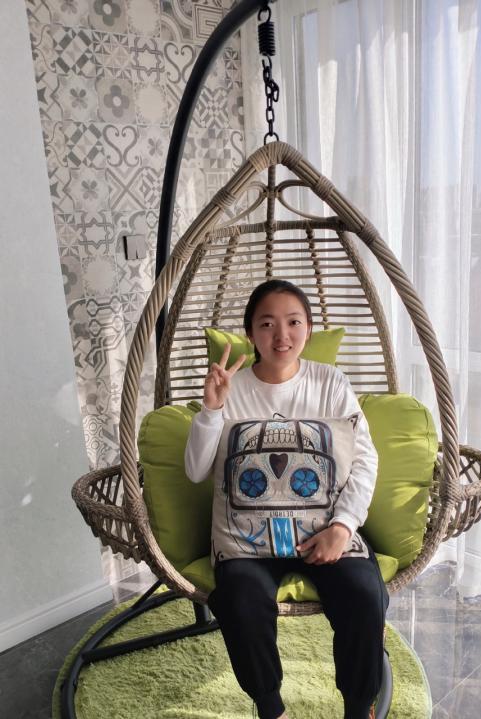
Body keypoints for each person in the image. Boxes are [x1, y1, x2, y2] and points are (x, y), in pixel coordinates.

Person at [185, 279, 389, 719]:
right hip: (246, 541)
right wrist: (212, 410)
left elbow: (365, 460)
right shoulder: (231, 387)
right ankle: (270, 707)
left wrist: (343, 527)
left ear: (309, 329)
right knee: (239, 598)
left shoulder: (330, 382)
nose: (282, 335)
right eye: (267, 324)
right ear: (250, 333)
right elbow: (196, 470)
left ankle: (359, 706)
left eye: (294, 322)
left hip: (323, 531)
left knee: (363, 592)